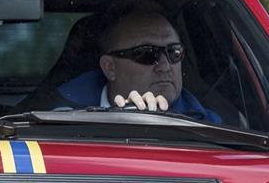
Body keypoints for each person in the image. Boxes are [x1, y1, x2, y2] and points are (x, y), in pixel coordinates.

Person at [54, 9, 222, 123]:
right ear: (110, 68)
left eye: (174, 52)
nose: (165, 66)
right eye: (147, 54)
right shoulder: (64, 118)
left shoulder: (209, 127)